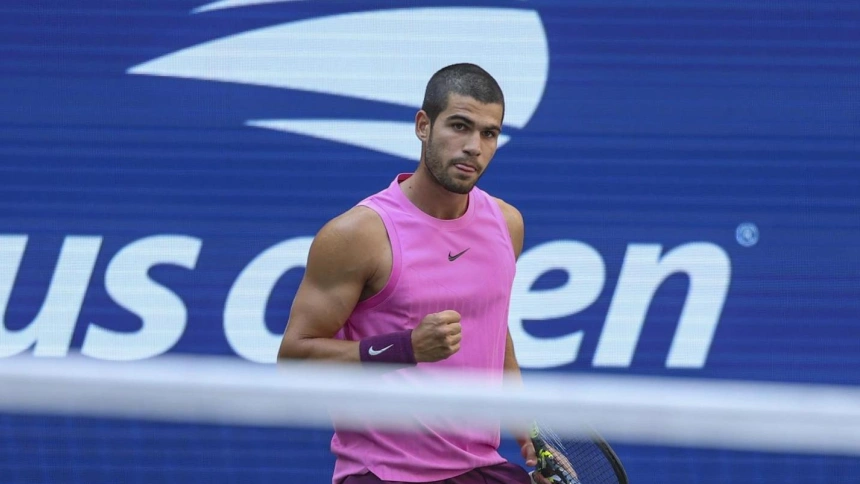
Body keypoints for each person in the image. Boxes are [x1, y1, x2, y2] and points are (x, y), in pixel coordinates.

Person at [279, 63, 548, 484]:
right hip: (385, 474)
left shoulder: (506, 223)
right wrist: (404, 348)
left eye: (489, 133)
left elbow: (495, 331)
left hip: (481, 467)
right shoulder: (359, 234)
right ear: (423, 125)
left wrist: (528, 431)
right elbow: (294, 357)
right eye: (459, 126)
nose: (474, 146)